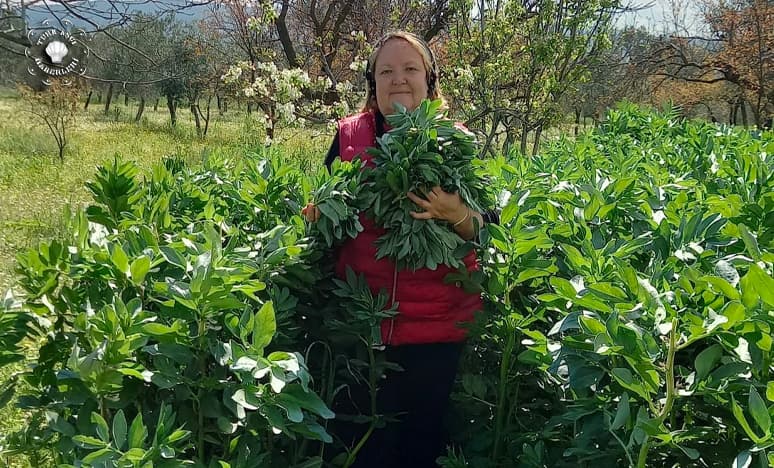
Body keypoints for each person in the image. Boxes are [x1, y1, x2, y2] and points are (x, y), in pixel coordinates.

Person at [302, 31, 496, 468]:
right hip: (362, 326)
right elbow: (326, 212)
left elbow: (490, 230)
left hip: (436, 330)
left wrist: (455, 212)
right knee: (363, 446)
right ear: (373, 84)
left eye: (410, 69)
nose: (399, 79)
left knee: (421, 446)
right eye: (386, 71)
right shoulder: (349, 137)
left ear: (430, 79)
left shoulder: (455, 140)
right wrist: (321, 214)